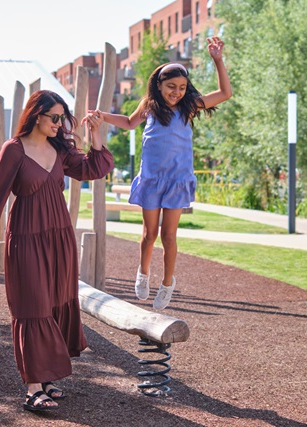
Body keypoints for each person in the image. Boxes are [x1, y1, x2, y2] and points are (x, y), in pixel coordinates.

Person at [0, 90, 113, 411]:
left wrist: (95, 135)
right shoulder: (14, 150)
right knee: (31, 307)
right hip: (26, 238)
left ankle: (48, 378)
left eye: (62, 118)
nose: (60, 124)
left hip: (60, 238)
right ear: (37, 115)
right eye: (55, 117)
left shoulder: (60, 149)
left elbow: (94, 168)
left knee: (54, 304)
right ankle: (33, 387)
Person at [89, 36, 232, 310]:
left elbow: (224, 94)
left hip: (177, 181)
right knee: (148, 234)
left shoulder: (189, 108)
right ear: (159, 85)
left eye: (181, 87)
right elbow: (129, 123)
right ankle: (143, 273)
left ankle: (167, 283)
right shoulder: (149, 107)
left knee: (169, 236)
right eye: (171, 87)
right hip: (152, 179)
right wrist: (103, 115)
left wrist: (218, 60)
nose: (176, 92)